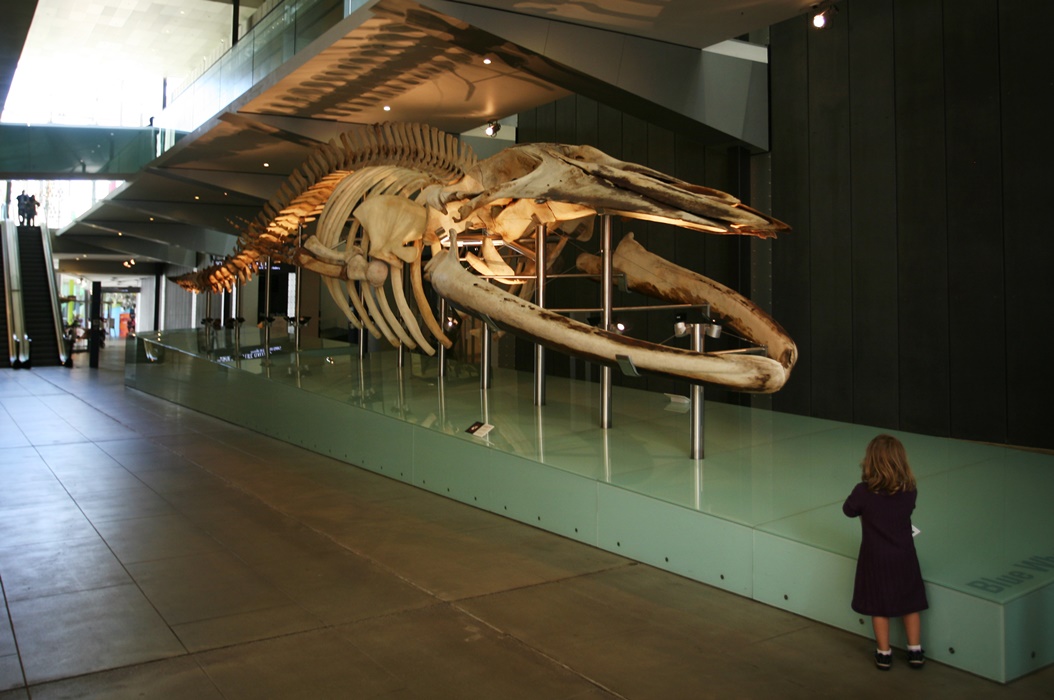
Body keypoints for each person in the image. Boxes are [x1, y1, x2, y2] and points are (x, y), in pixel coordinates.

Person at [843, 434, 927, 671]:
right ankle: (915, 651)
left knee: (878, 607)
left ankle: (884, 653)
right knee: (910, 603)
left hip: (875, 557)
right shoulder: (910, 491)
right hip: (904, 555)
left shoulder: (862, 492)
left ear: (870, 461)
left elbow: (848, 510)